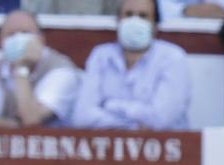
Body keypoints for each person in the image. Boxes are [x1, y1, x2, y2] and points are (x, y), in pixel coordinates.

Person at [68, 0, 191, 130]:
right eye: (128, 14)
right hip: (110, 146)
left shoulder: (172, 57)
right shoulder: (100, 56)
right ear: (118, 21)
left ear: (155, 26)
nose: (135, 21)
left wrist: (111, 105)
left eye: (143, 16)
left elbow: (160, 119)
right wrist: (131, 125)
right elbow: (82, 116)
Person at [0, 10, 81, 128]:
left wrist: (22, 68)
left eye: (25, 33)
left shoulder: (60, 70)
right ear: (1, 42)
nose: (18, 38)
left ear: (41, 39)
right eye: (11, 34)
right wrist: (11, 125)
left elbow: (31, 119)